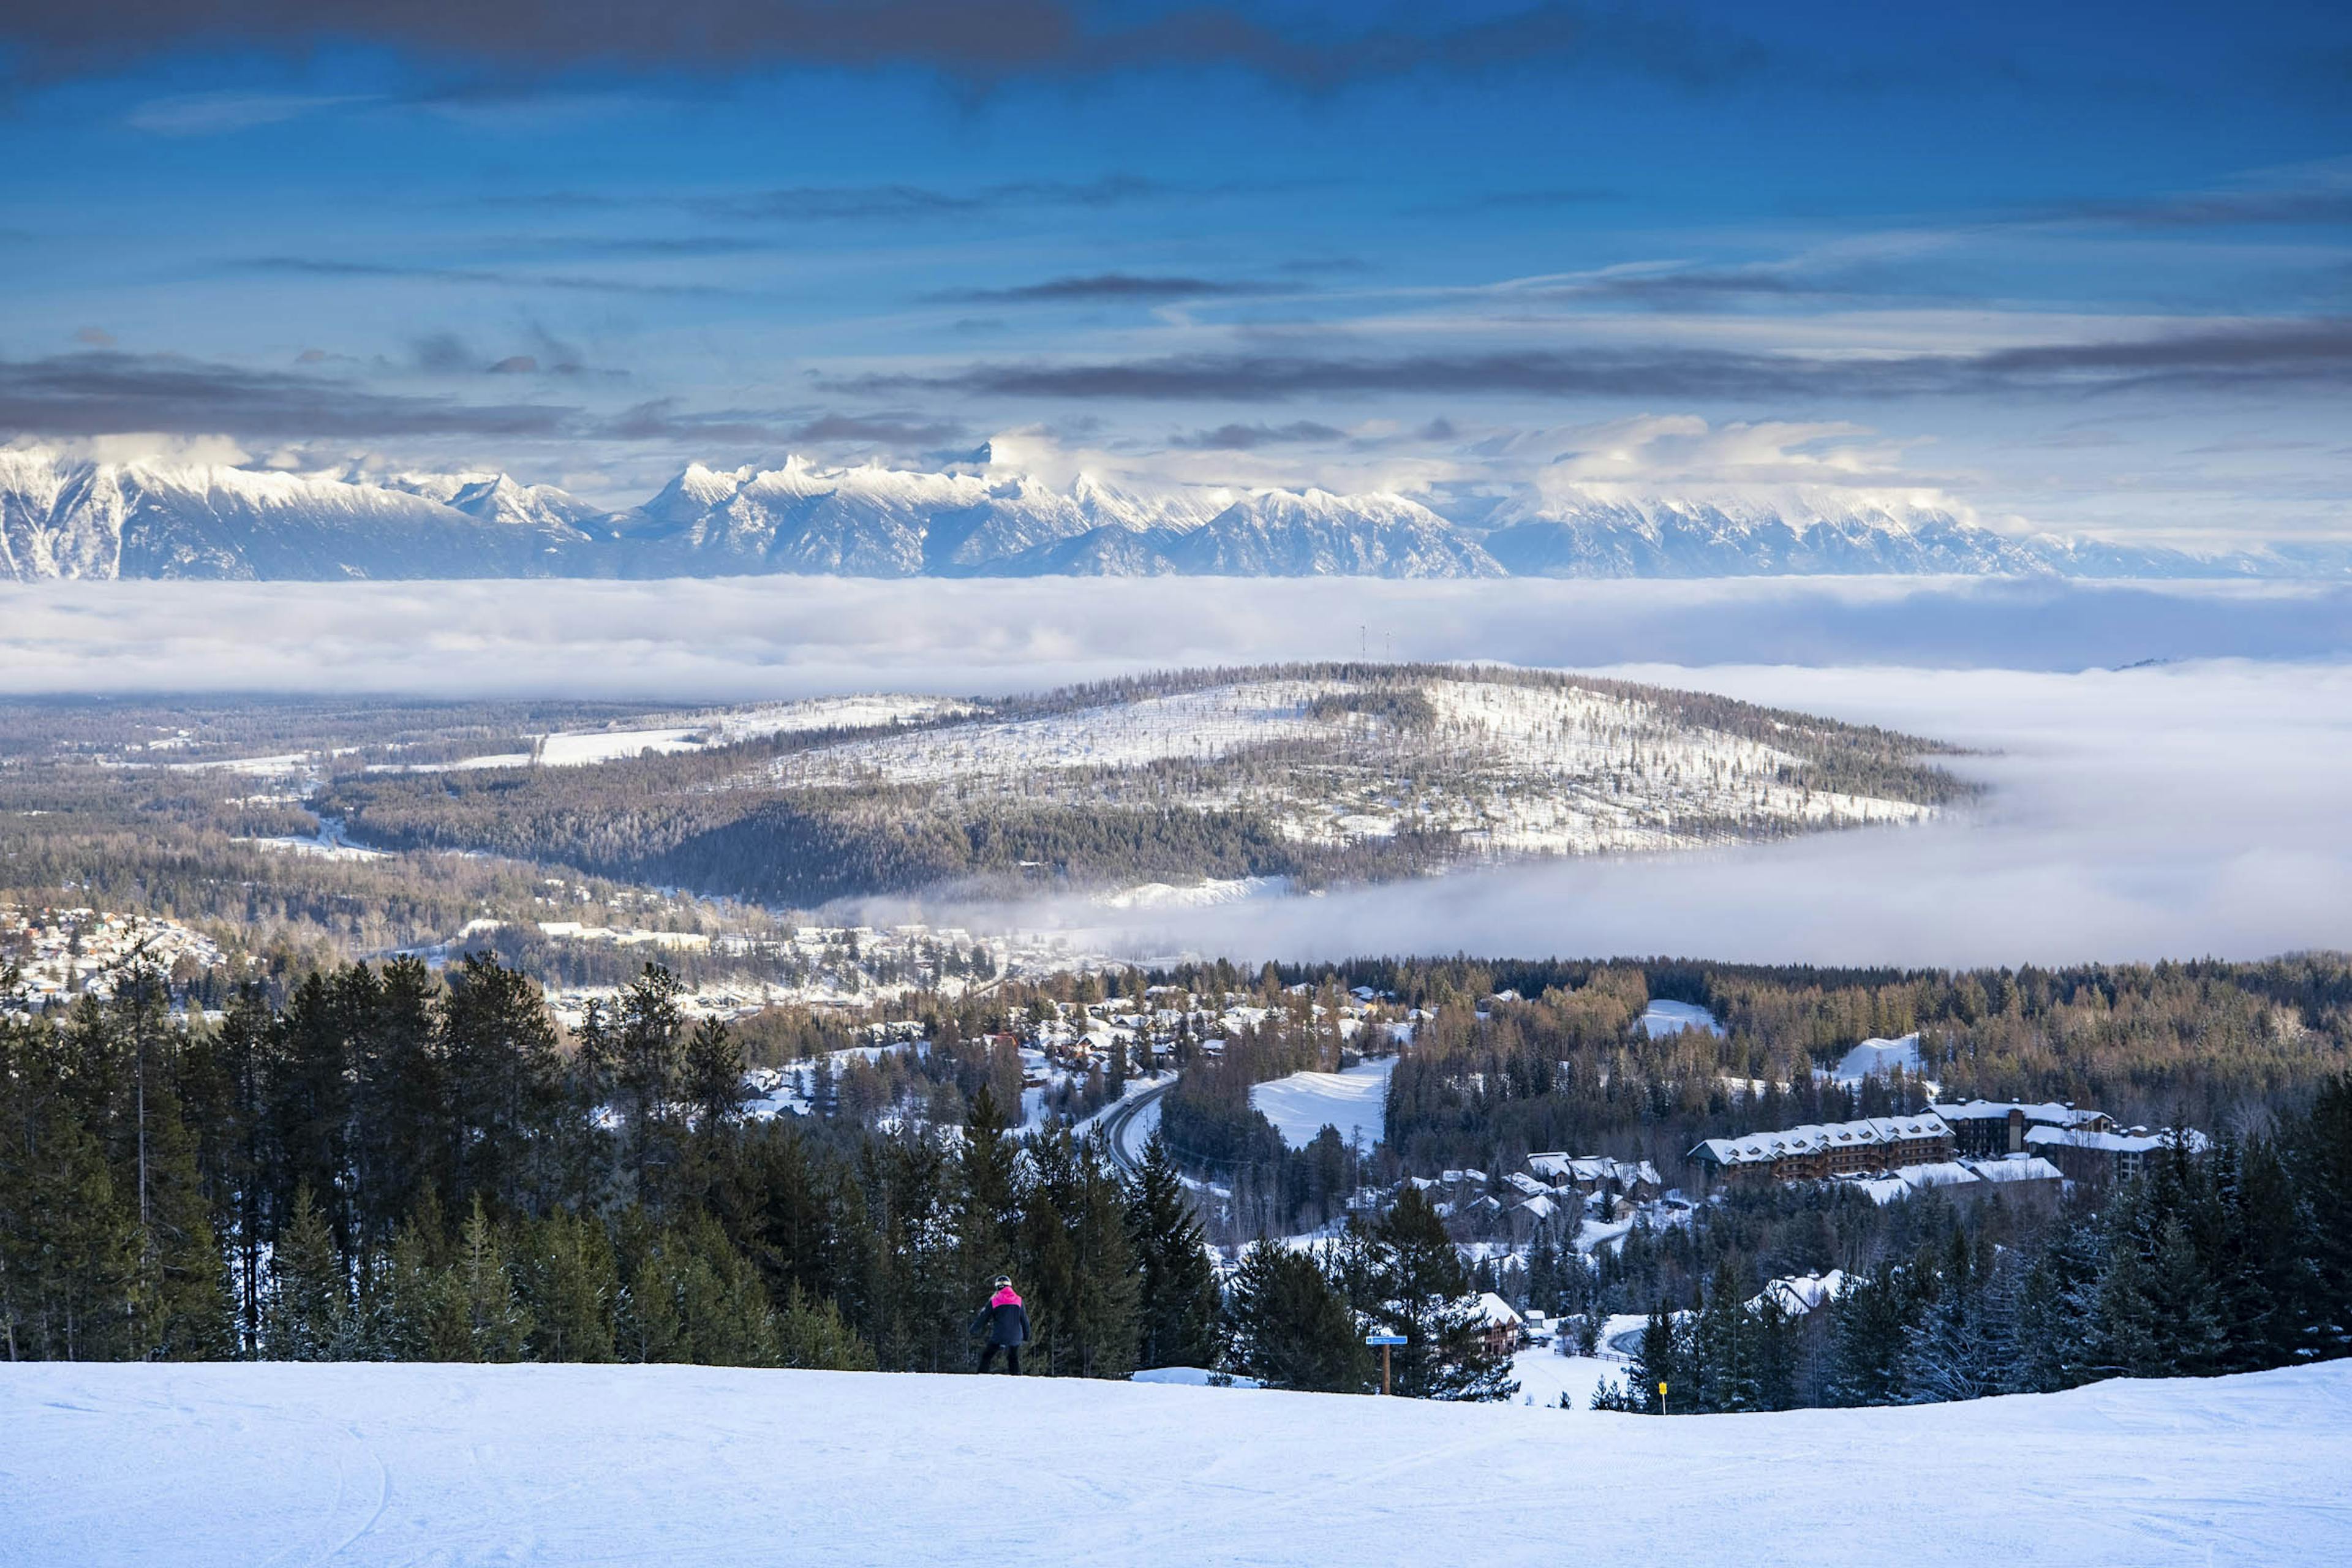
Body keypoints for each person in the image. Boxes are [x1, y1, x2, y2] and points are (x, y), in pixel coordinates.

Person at [970, 1275, 1029, 1374]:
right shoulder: (1019, 1301)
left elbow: (983, 1318)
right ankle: (1016, 1379)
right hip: (1015, 1336)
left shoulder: (995, 1301)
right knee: (1013, 1357)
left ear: (997, 1287)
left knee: (987, 1355)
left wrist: (973, 1330)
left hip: (999, 1336)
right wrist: (1027, 1336)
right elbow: (1024, 1320)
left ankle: (981, 1376)